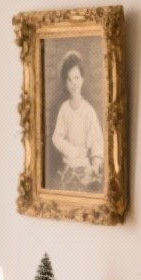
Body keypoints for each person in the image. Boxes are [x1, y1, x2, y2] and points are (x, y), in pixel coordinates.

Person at [51, 51, 104, 189]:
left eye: (76, 78)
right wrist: (72, 151)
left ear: (82, 79)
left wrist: (96, 164)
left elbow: (97, 141)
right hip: (67, 167)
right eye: (69, 79)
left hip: (84, 169)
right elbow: (56, 137)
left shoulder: (89, 112)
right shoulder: (64, 109)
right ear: (65, 83)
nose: (73, 83)